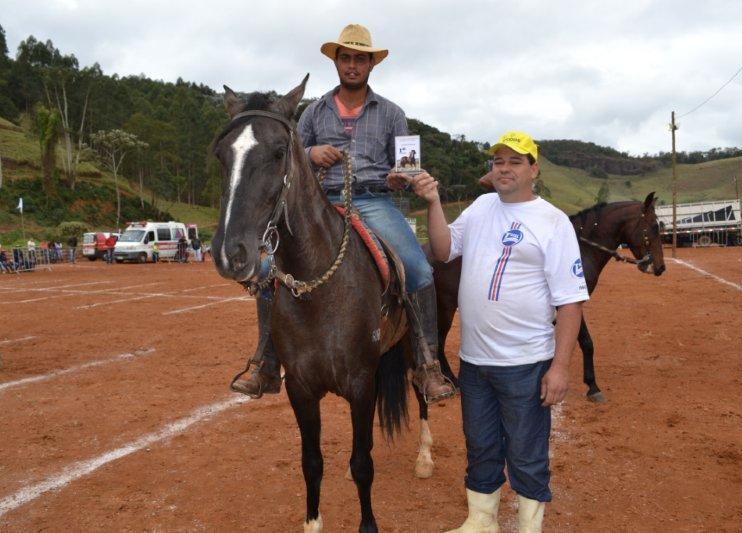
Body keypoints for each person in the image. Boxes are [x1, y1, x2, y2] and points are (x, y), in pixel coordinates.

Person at [229, 23, 455, 404]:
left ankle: (426, 364)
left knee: (418, 269)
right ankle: (266, 364)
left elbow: (406, 165)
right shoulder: (313, 113)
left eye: (360, 59)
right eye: (345, 58)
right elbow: (291, 162)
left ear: (371, 64)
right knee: (268, 270)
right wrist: (311, 154)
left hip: (373, 200)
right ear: (337, 62)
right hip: (319, 201)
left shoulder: (392, 113)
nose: (352, 65)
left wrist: (401, 176)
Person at [413, 131, 588, 532]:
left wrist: (560, 367)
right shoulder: (480, 207)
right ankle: (482, 520)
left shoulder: (553, 222)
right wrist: (434, 202)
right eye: (498, 162)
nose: (504, 168)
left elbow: (570, 303)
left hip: (526, 361)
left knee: (526, 453)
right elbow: (443, 250)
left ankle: (529, 527)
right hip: (475, 360)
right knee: (481, 447)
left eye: (515, 161)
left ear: (534, 170)